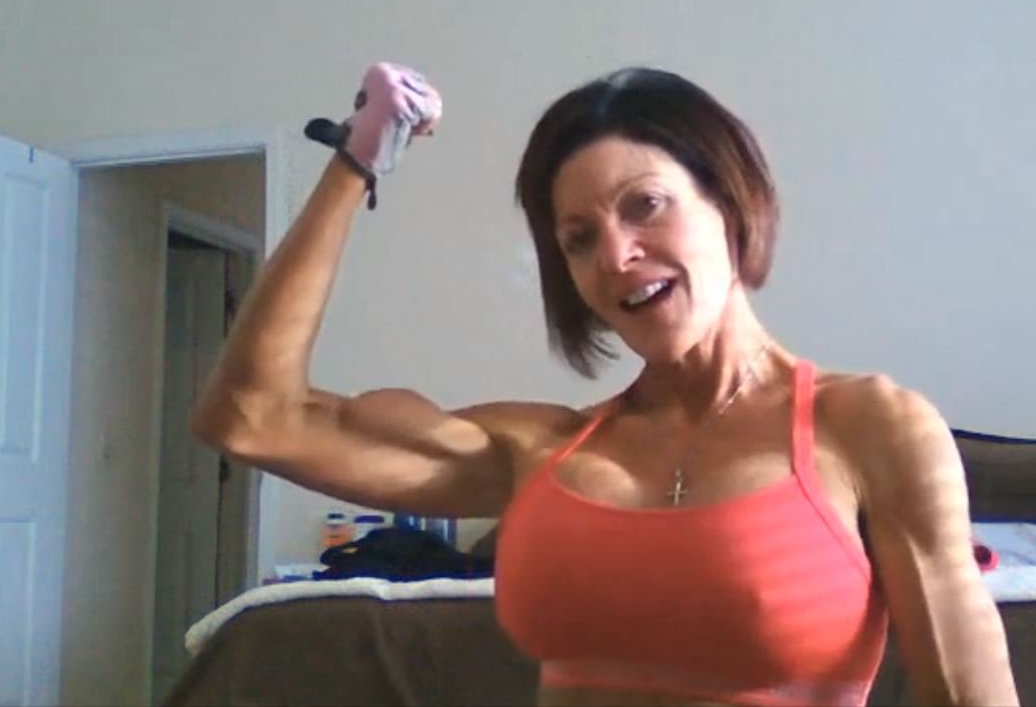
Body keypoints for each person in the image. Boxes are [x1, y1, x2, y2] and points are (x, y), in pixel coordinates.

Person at [191, 62, 1019, 707]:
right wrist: (354, 162)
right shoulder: (541, 448)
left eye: (646, 205)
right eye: (579, 238)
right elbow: (251, 417)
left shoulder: (870, 427)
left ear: (731, 203)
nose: (617, 256)